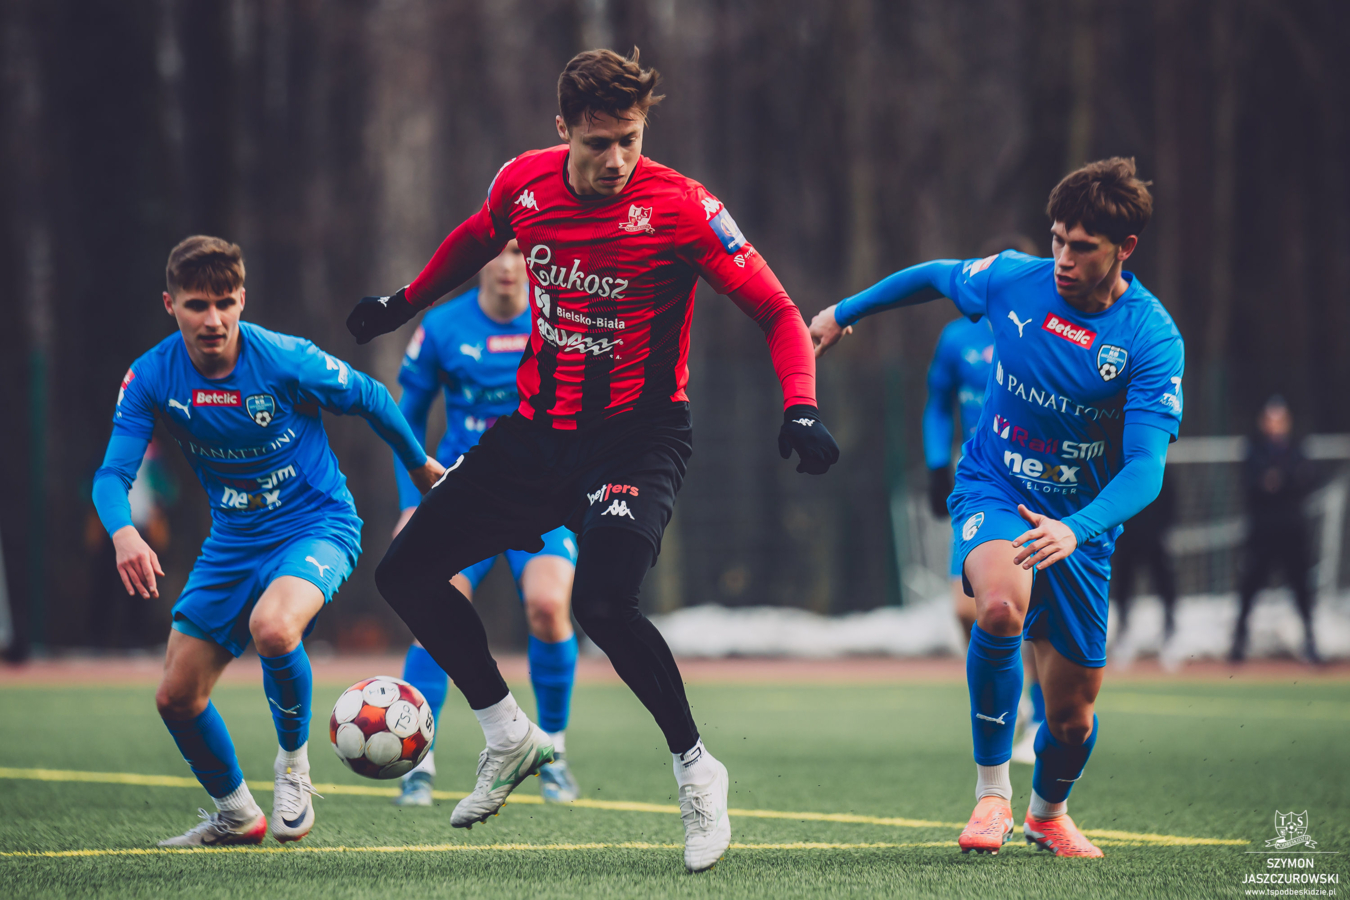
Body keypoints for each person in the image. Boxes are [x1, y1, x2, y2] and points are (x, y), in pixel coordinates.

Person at [346, 48, 837, 873]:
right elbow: (475, 237)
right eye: (598, 142)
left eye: (630, 140)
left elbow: (778, 310)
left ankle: (697, 770)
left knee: (602, 603)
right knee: (404, 573)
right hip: (536, 433)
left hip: (638, 439)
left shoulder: (683, 208)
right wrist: (404, 302)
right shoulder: (523, 184)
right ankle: (508, 734)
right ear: (563, 129)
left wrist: (801, 404)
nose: (615, 160)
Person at [811, 158, 1183, 858]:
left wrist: (1077, 528)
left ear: (1125, 248)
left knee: (1071, 719)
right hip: (995, 486)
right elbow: (933, 276)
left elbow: (1145, 469)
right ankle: (992, 794)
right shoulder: (1014, 279)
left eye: (1082, 247)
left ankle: (1048, 814)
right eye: (1058, 239)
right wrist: (840, 312)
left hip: (1078, 527)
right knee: (999, 608)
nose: (1063, 259)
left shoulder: (1150, 338)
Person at [92, 236, 443, 847]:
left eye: (224, 302)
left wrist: (417, 465)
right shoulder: (150, 376)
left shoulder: (284, 358)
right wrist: (123, 532)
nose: (213, 319)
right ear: (170, 305)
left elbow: (371, 396)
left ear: (242, 300)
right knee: (176, 697)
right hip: (232, 541)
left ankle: (294, 770)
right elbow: (112, 474)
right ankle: (236, 814)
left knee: (274, 628)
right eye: (197, 305)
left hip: (317, 524)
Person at [390, 240, 581, 806]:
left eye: (521, 252)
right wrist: (410, 500)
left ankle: (553, 753)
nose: (507, 265)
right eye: (496, 252)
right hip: (461, 494)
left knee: (548, 606)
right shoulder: (441, 327)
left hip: (540, 495)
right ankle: (418, 762)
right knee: (434, 607)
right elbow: (407, 416)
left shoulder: (564, 319)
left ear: (538, 259)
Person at [923, 233, 1046, 766]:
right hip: (979, 485)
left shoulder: (1045, 331)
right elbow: (937, 402)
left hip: (1034, 484)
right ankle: (1007, 688)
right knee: (965, 607)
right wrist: (935, 464)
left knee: (1024, 608)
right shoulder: (957, 339)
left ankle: (1036, 711)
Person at [1230, 395, 1319, 664]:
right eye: (1270, 419)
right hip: (1262, 532)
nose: (1275, 425)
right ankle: (1238, 643)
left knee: (1301, 588)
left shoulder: (1297, 448)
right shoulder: (1253, 449)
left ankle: (1310, 642)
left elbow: (1305, 480)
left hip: (1291, 531)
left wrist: (1280, 481)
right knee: (1249, 587)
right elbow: (1251, 484)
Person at [1109, 470, 1178, 667]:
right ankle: (1123, 636)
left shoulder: (1159, 469)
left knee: (1165, 587)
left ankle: (1169, 636)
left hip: (1155, 539)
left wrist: (1164, 532)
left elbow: (1170, 503)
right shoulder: (1122, 471)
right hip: (1127, 539)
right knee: (1123, 588)